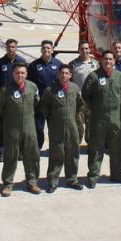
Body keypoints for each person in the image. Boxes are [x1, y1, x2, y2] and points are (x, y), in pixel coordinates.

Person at [82, 50, 121, 187]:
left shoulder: (119, 75)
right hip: (98, 119)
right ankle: (93, 176)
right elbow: (85, 95)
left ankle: (117, 174)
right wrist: (95, 108)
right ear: (101, 61)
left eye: (110, 59)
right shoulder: (93, 76)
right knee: (96, 148)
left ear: (114, 61)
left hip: (115, 119)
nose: (108, 61)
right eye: (105, 59)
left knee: (117, 148)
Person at [0, 63, 41, 196]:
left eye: (22, 73)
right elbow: (1, 108)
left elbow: (36, 102)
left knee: (31, 155)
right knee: (10, 156)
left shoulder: (32, 87)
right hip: (12, 128)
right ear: (12, 74)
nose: (19, 75)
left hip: (29, 128)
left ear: (26, 74)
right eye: (17, 73)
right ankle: (8, 184)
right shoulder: (5, 90)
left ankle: (32, 182)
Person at [39, 64, 84, 192]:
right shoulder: (50, 90)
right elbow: (44, 108)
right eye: (62, 73)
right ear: (58, 74)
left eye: (66, 73)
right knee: (56, 154)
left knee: (73, 154)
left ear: (70, 75)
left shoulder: (75, 88)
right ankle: (52, 182)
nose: (64, 75)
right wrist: (54, 119)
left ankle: (72, 180)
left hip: (72, 127)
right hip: (56, 127)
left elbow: (79, 106)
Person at [0, 38, 26, 161]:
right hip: (4, 100)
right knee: (3, 126)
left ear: (16, 48)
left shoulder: (22, 62)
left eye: (13, 47)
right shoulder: (0, 63)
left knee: (19, 125)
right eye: (9, 47)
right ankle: (1, 151)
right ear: (6, 48)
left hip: (19, 98)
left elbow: (27, 78)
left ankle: (19, 151)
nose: (11, 49)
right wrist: (3, 90)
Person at [27, 39, 63, 149]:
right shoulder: (34, 65)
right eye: (44, 48)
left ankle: (55, 148)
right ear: (41, 50)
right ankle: (37, 148)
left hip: (54, 102)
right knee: (38, 127)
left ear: (52, 50)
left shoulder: (58, 64)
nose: (46, 50)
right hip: (39, 102)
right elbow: (29, 83)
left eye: (48, 48)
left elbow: (64, 81)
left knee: (54, 127)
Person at [68, 40, 98, 144]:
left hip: (92, 100)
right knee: (78, 125)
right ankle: (76, 144)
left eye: (86, 48)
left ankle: (90, 144)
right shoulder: (73, 64)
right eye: (82, 49)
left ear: (89, 49)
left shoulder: (96, 63)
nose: (84, 51)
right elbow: (68, 81)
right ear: (78, 50)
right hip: (78, 100)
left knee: (91, 124)